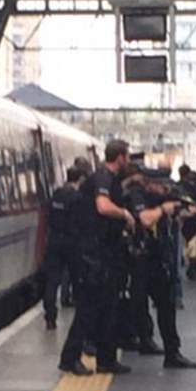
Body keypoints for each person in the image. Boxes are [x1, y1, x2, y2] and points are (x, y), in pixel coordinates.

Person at [59, 140, 135, 376]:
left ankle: (106, 359)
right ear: (120, 157)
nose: (129, 161)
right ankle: (70, 358)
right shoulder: (102, 178)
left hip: (105, 253)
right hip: (93, 254)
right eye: (128, 156)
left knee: (107, 307)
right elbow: (102, 207)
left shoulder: (108, 180)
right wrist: (124, 214)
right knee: (89, 308)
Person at [126, 174, 196, 369]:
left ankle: (172, 351)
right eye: (162, 186)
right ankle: (134, 340)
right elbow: (145, 220)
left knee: (166, 306)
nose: (165, 190)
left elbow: (191, 211)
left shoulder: (161, 199)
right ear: (151, 184)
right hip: (139, 259)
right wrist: (162, 209)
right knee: (134, 305)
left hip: (158, 260)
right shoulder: (136, 195)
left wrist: (179, 208)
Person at [42, 167, 87, 330]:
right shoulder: (77, 197)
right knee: (77, 279)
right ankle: (81, 316)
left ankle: (50, 317)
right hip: (72, 243)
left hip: (54, 241)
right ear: (80, 179)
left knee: (52, 280)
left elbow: (48, 216)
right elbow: (81, 221)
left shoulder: (56, 195)